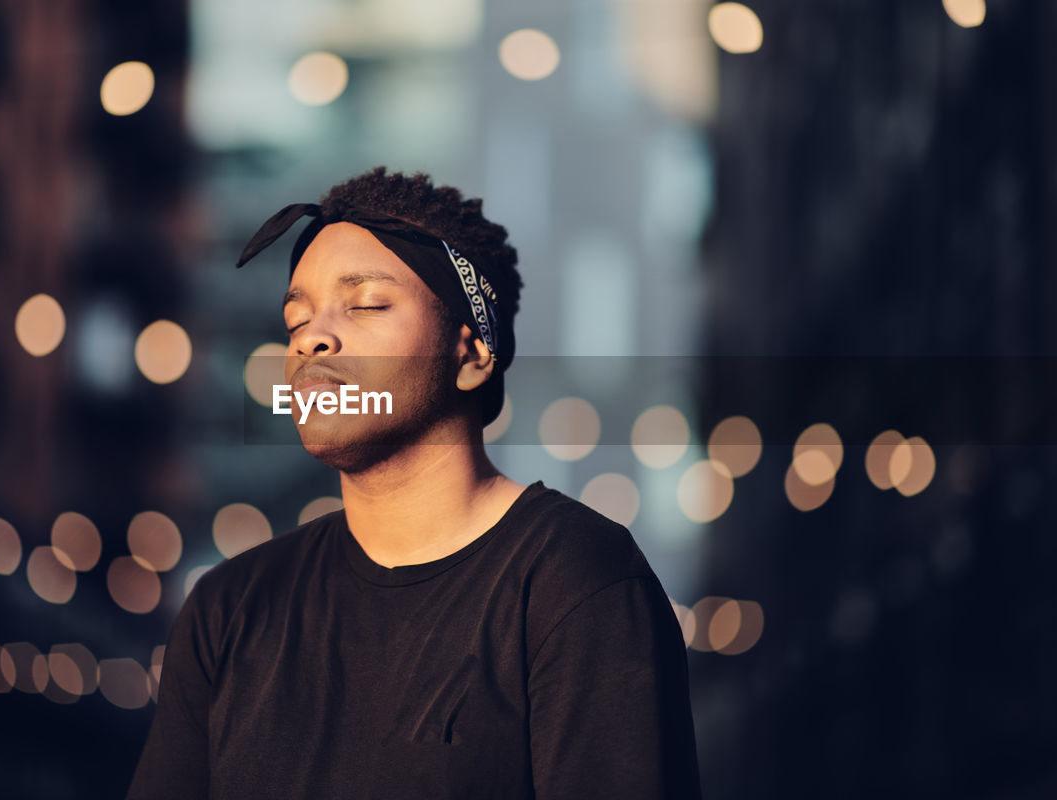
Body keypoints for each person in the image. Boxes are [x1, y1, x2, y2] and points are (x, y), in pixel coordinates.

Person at [126, 167, 702, 799]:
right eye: (296, 322)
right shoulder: (228, 607)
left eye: (368, 304)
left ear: (473, 352)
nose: (312, 339)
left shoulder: (573, 579)